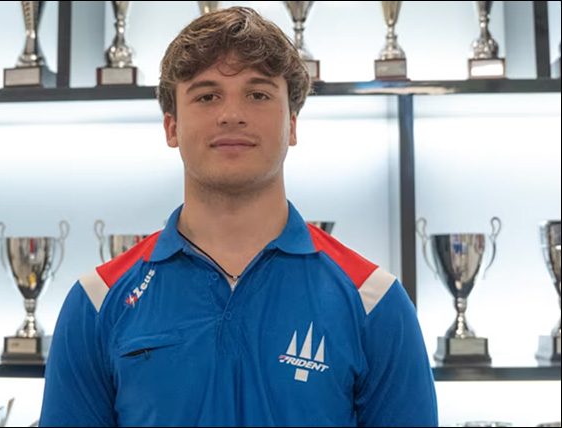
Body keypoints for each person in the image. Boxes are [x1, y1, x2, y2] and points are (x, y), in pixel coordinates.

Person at [39, 6, 438, 427]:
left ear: (292, 124)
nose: (232, 114)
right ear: (171, 127)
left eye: (258, 94)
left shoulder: (375, 302)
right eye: (207, 96)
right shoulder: (96, 303)